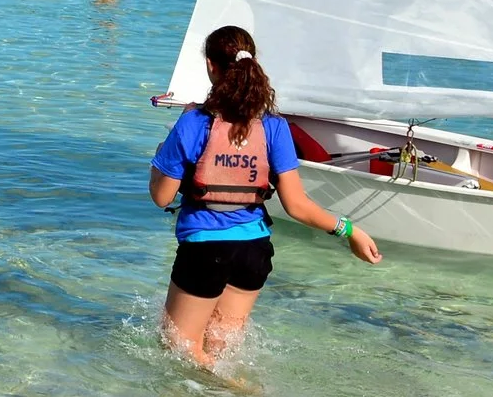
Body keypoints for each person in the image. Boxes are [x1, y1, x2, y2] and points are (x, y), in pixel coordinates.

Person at [148, 25, 381, 371]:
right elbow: (297, 206)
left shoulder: (193, 123)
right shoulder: (273, 126)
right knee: (222, 348)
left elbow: (161, 196)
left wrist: (164, 153)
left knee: (180, 348)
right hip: (253, 251)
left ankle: (234, 392)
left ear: (211, 66)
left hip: (205, 248)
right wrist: (351, 231)